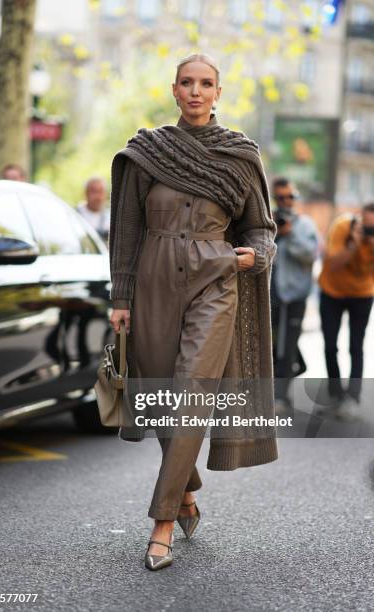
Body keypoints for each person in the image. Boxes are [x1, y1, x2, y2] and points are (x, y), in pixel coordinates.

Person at [108, 53, 278, 571]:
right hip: (153, 279)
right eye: (188, 83)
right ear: (174, 90)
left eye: (206, 83)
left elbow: (260, 227)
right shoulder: (147, 152)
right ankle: (185, 489)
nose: (196, 91)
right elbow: (127, 230)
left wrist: (257, 255)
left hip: (216, 277)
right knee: (162, 391)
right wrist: (120, 298)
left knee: (191, 392)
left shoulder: (241, 155)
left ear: (218, 92)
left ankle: (161, 523)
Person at [318, 202, 374, 420]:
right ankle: (336, 394)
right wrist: (354, 244)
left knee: (356, 346)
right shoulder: (343, 227)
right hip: (332, 292)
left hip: (362, 295)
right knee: (330, 346)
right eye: (367, 225)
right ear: (359, 218)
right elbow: (331, 264)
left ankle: (352, 398)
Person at [270, 177, 319, 414]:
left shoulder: (305, 224)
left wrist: (290, 235)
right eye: (281, 197)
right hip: (271, 296)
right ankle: (296, 369)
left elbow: (311, 255)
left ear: (295, 197)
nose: (286, 201)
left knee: (287, 345)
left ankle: (281, 397)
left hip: (295, 295)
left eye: (290, 196)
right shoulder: (268, 222)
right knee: (272, 345)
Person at [77, 177, 110, 242]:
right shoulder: (75, 215)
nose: (98, 197)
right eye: (94, 191)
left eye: (101, 192)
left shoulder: (111, 218)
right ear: (86, 193)